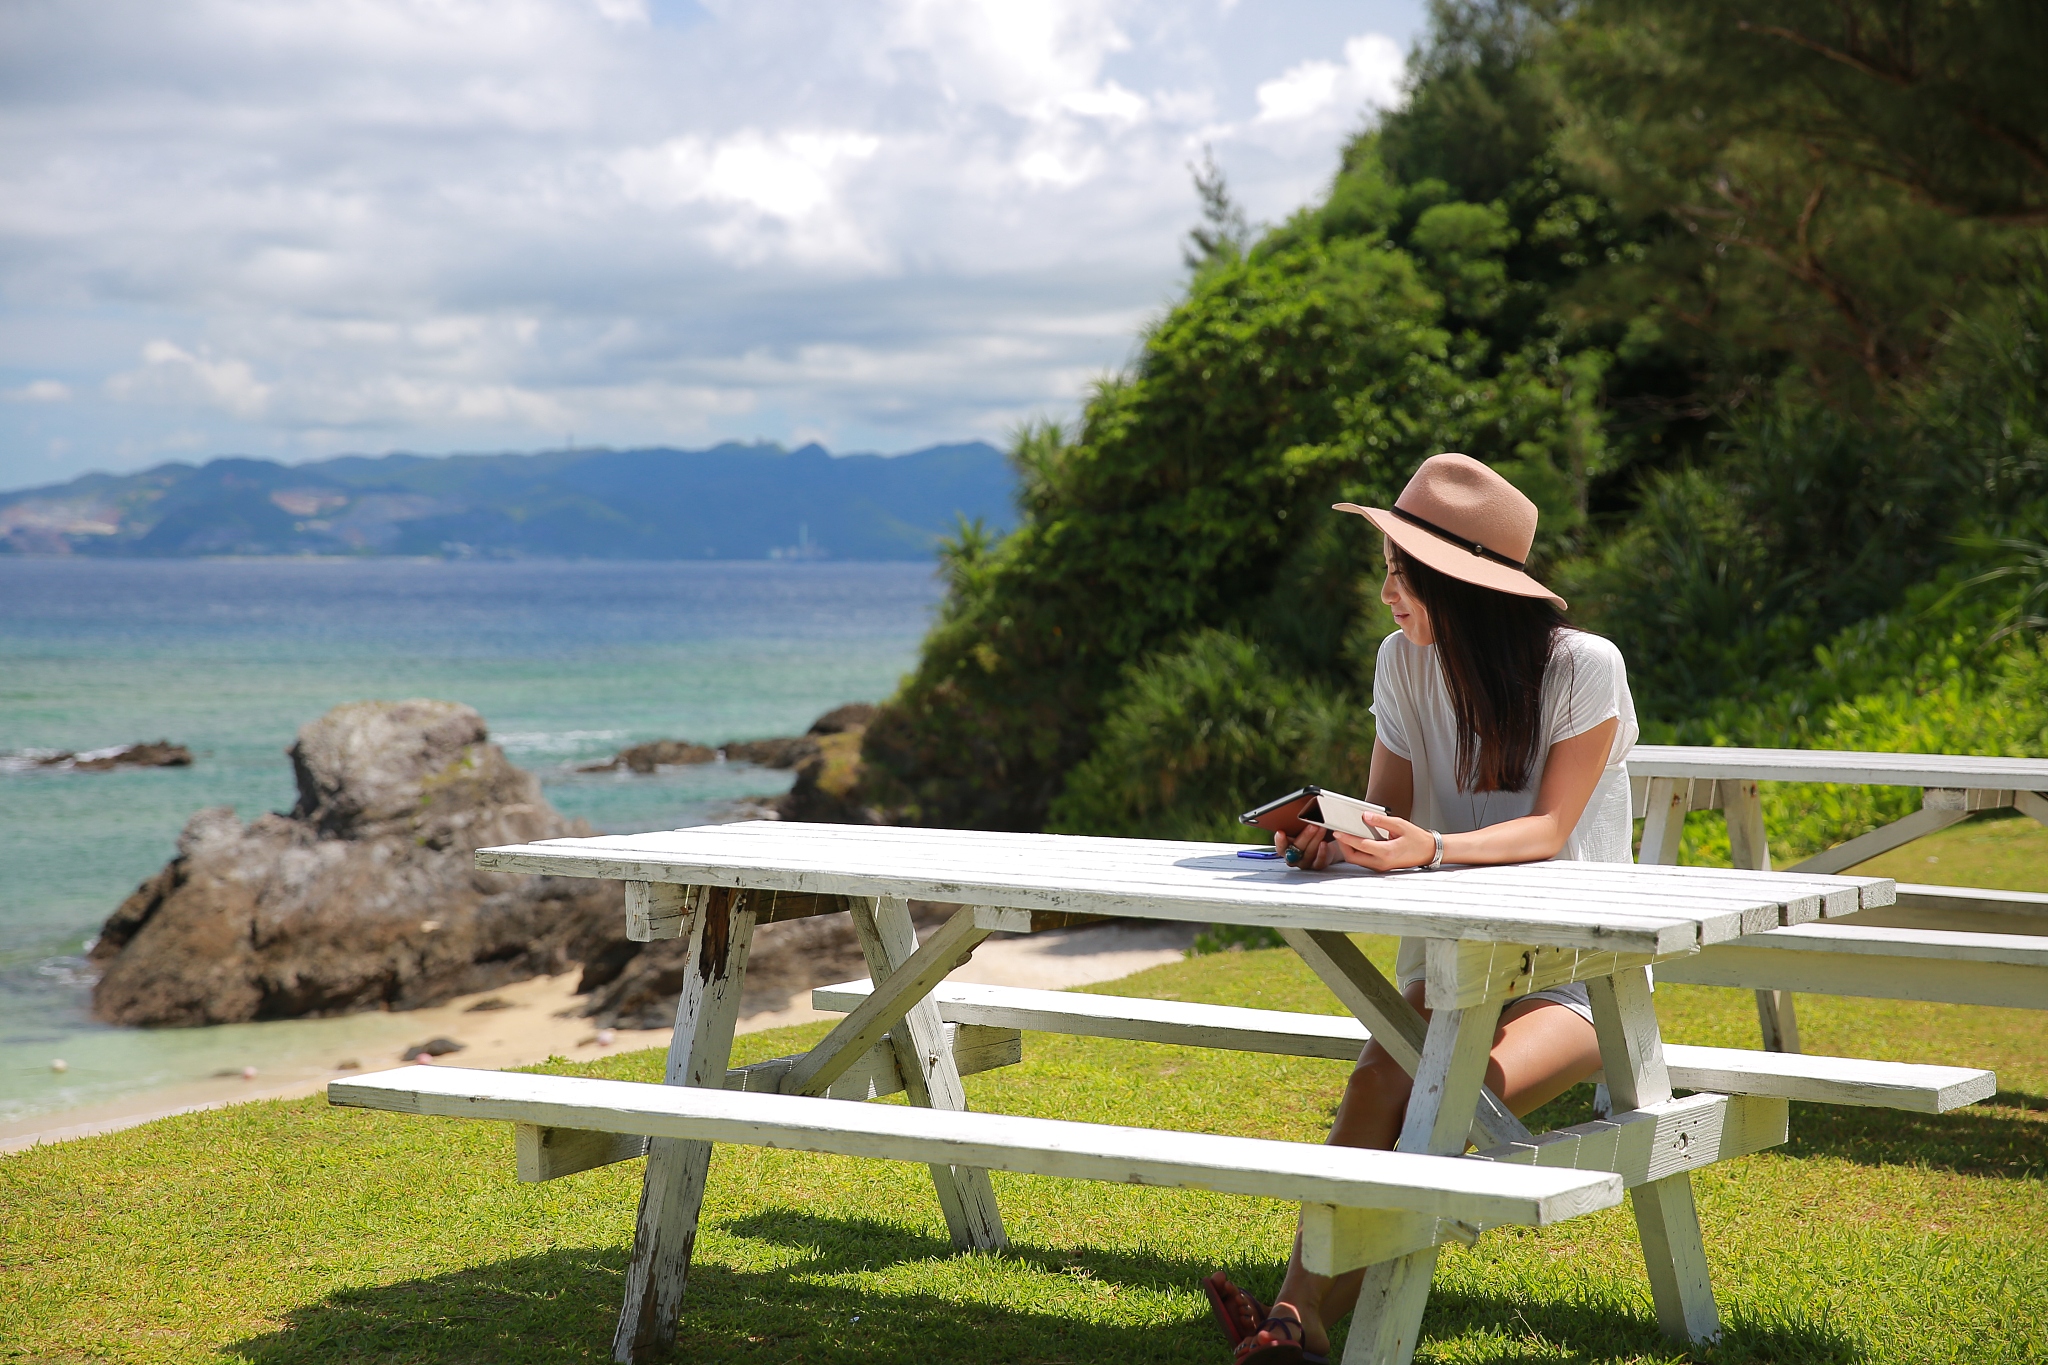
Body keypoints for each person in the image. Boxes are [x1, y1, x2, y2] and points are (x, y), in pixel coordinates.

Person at [1204, 452, 1639, 1365]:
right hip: (1452, 970)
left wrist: (1429, 847)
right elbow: (1383, 809)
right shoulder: (1403, 664)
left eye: (1402, 574)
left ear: (1461, 583)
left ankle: (1299, 1321)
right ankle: (1299, 1320)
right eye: (1387, 571)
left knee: (1448, 1103)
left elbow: (1550, 828)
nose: (1387, 593)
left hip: (1576, 984)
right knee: (1378, 1084)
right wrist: (1334, 838)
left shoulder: (1584, 667)